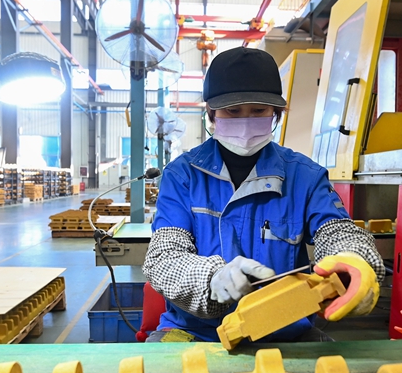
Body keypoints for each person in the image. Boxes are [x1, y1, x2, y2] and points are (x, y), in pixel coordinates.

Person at [142, 47, 384, 343]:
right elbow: (164, 256)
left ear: (275, 113)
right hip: (195, 331)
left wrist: (354, 260)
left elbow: (337, 231)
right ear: (212, 114)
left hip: (283, 333)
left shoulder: (304, 176)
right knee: (157, 371)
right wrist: (211, 279)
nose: (246, 121)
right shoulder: (182, 175)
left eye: (258, 111)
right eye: (233, 111)